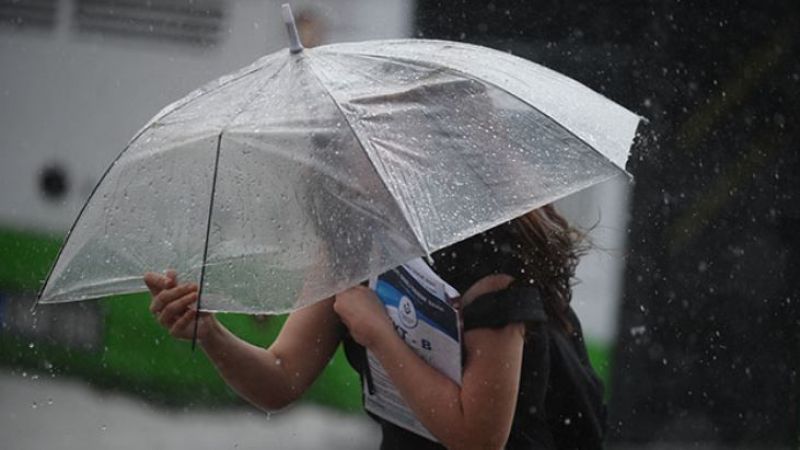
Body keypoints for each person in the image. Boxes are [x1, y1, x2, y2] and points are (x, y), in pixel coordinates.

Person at [144, 204, 606, 449]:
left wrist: (379, 335)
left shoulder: (491, 263)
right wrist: (210, 334)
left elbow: (478, 439)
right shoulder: (354, 242)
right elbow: (280, 376)